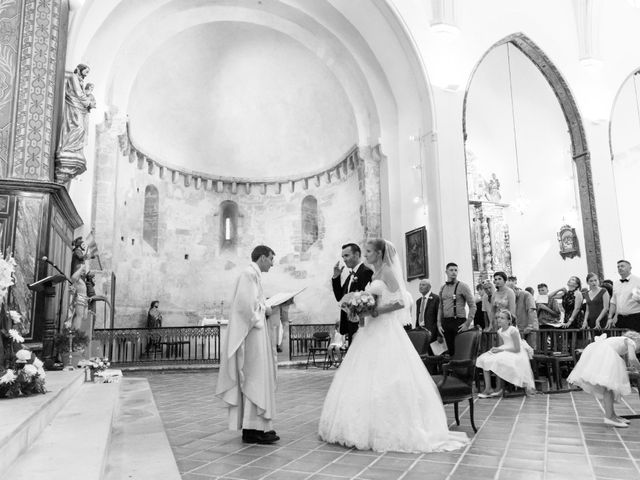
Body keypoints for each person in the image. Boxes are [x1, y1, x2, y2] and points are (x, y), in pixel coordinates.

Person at [318, 239, 468, 452]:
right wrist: (361, 311)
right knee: (363, 375)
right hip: (370, 328)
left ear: (379, 253)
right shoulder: (376, 273)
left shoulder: (387, 271)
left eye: (368, 251)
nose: (366, 254)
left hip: (385, 328)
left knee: (386, 373)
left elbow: (400, 301)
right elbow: (371, 299)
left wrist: (375, 311)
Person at [216, 245, 279, 445]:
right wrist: (266, 310)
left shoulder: (254, 275)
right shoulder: (249, 274)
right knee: (254, 378)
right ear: (261, 258)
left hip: (256, 335)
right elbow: (245, 308)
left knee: (258, 378)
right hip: (252, 335)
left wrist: (265, 307)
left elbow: (252, 304)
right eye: (270, 259)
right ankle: (254, 429)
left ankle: (257, 427)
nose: (272, 263)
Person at [568, 330, 640, 427]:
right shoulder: (631, 342)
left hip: (600, 353)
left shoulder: (623, 340)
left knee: (609, 388)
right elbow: (632, 358)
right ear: (637, 340)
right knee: (609, 388)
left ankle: (612, 415)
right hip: (604, 355)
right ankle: (609, 417)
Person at [476, 309, 535, 398]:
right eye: (498, 317)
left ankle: (499, 388)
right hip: (505, 349)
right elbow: (503, 345)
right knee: (484, 359)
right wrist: (496, 349)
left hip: (516, 353)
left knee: (498, 361)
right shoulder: (500, 331)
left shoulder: (513, 330)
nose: (499, 320)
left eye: (502, 318)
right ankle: (488, 388)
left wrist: (501, 351)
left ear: (509, 321)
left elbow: (517, 348)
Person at [331, 243, 373, 345]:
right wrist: (336, 277)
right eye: (343, 257)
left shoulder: (366, 272)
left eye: (347, 255)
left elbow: (369, 300)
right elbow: (339, 297)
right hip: (350, 325)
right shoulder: (350, 276)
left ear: (357, 254)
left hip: (361, 325)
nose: (344, 259)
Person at [437, 263, 476, 356]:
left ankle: (461, 370)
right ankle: (453, 370)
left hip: (459, 322)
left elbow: (473, 306)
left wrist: (467, 323)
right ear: (446, 272)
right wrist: (439, 323)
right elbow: (440, 307)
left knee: (461, 351)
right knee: (451, 351)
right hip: (446, 322)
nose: (454, 272)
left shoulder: (463, 286)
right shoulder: (443, 288)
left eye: (455, 270)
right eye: (451, 270)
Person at [607, 260, 640, 332]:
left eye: (622, 266)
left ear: (630, 268)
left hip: (635, 318)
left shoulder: (638, 281)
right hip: (620, 319)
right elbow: (613, 301)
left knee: (636, 341)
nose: (619, 268)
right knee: (623, 342)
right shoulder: (616, 283)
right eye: (618, 267)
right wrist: (610, 317)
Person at [507, 276, 538, 349]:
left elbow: (531, 311)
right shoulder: (512, 299)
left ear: (515, 289)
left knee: (531, 350)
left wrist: (530, 326)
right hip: (520, 329)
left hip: (530, 328)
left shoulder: (526, 294)